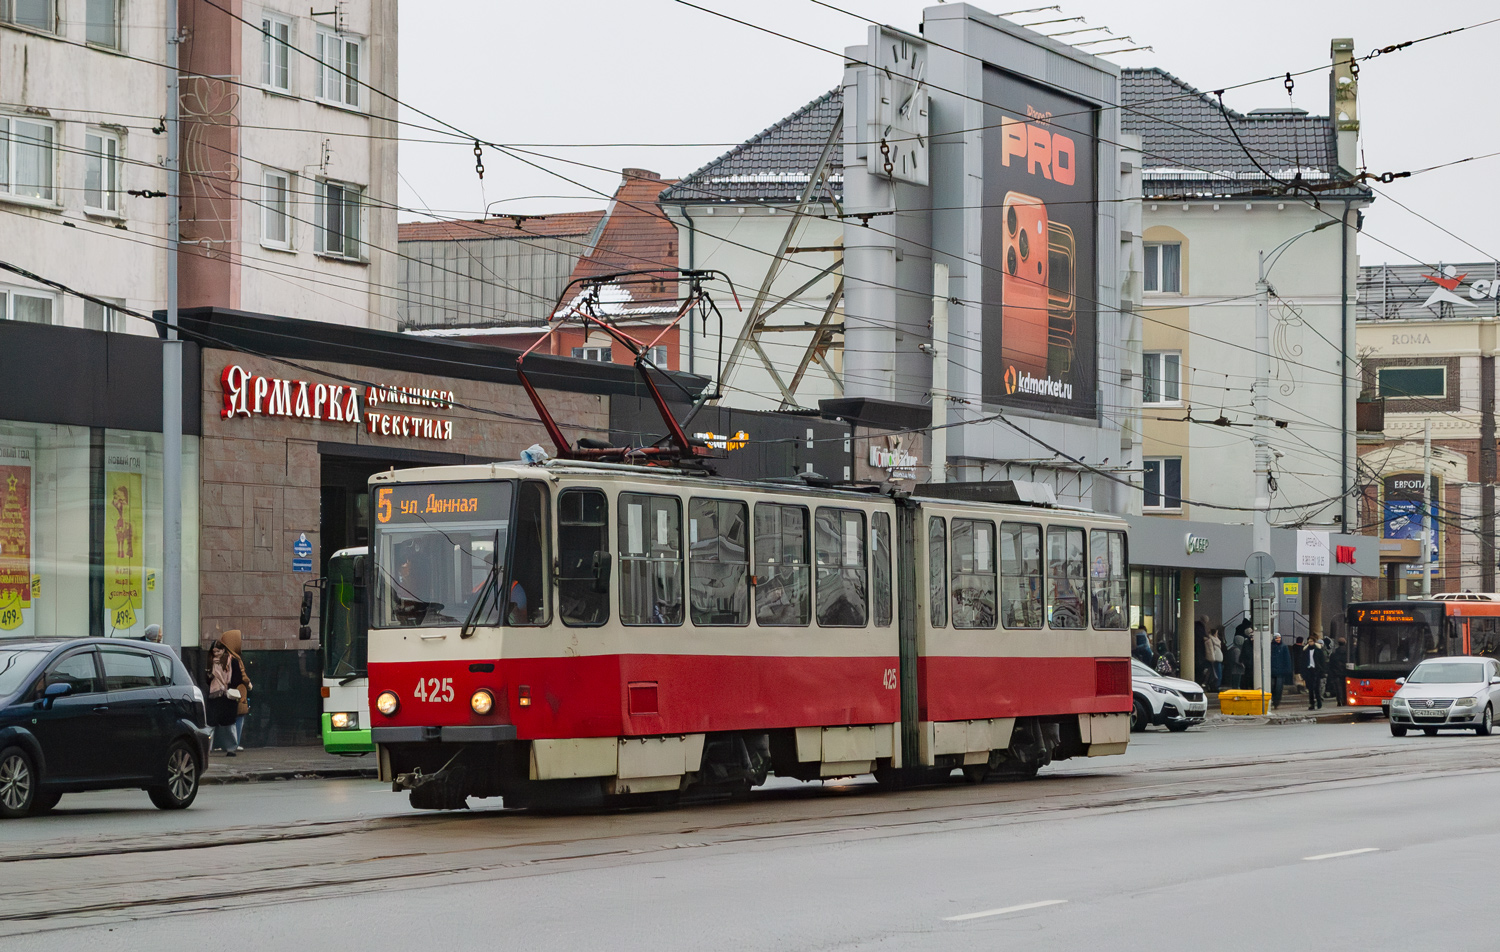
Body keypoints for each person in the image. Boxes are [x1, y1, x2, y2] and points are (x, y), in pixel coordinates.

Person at [205, 640, 245, 756]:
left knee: (228, 724)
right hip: (215, 695)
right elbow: (207, 680)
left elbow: (238, 678)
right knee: (211, 723)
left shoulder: (232, 661)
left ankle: (231, 748)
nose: (216, 654)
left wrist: (228, 687)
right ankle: (208, 748)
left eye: (218, 651)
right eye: (214, 652)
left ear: (223, 650)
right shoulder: (210, 662)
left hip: (228, 696)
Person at [220, 629, 252, 752]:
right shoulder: (235, 659)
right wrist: (248, 683)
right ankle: (234, 743)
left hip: (227, 693)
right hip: (237, 694)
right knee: (238, 719)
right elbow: (241, 676)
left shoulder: (222, 657)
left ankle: (227, 743)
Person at [1270, 633, 1293, 709]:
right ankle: (1273, 699)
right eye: (1276, 638)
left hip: (1280, 671)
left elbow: (1287, 659)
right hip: (1272, 670)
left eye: (1279, 638)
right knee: (1272, 686)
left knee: (1279, 687)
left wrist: (1287, 670)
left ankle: (1276, 701)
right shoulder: (1271, 647)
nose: (1278, 640)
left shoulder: (1283, 647)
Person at [1303, 637, 1326, 710]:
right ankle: (1311, 703)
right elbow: (1302, 662)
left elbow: (1322, 661)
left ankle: (1319, 702)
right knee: (1310, 688)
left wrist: (1322, 670)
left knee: (1317, 687)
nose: (1310, 643)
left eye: (1311, 641)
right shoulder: (1306, 651)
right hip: (1309, 670)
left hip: (1316, 670)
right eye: (1309, 641)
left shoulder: (1318, 650)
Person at [1328, 636, 1349, 706]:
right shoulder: (1348, 653)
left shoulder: (1334, 653)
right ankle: (1345, 700)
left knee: (1338, 687)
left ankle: (1339, 700)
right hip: (1346, 672)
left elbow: (1331, 664)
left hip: (1336, 672)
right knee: (1345, 687)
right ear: (1345, 643)